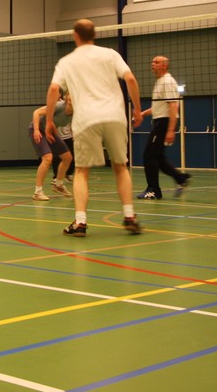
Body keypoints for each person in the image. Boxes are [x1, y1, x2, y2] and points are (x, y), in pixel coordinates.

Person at [45, 19, 143, 237]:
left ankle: (80, 222)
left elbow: (53, 89)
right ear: (94, 34)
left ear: (75, 35)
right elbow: (130, 79)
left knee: (81, 171)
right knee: (121, 167)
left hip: (86, 119)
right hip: (115, 116)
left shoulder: (66, 61)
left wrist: (49, 120)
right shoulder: (110, 54)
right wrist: (137, 109)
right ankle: (129, 216)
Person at [138, 55, 191, 199]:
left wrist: (170, 130)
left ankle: (153, 190)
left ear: (165, 65)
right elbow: (159, 106)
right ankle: (181, 178)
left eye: (156, 62)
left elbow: (173, 105)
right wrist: (143, 113)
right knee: (158, 157)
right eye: (152, 62)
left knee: (149, 156)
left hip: (164, 123)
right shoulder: (160, 81)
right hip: (160, 121)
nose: (153, 64)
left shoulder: (167, 81)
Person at [28, 92, 73, 201]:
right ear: (66, 97)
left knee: (67, 157)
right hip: (38, 129)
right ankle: (38, 192)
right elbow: (36, 112)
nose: (72, 97)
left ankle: (58, 184)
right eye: (70, 94)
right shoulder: (58, 106)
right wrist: (36, 130)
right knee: (47, 158)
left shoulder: (77, 112)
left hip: (50, 131)